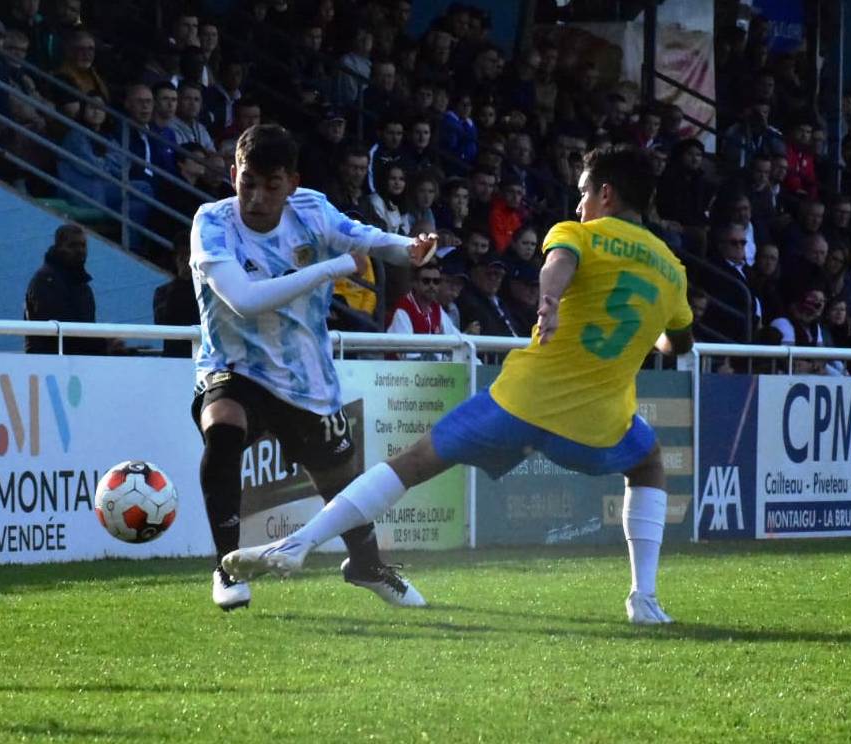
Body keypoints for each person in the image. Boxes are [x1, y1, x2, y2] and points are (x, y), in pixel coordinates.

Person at [225, 145, 695, 626]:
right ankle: (644, 599)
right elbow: (677, 345)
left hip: (522, 402)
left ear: (606, 193)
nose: (579, 206)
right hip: (599, 424)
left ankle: (300, 542)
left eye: (583, 194)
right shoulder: (671, 271)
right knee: (648, 462)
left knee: (413, 463)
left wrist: (549, 299)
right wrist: (646, 323)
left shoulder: (578, 233)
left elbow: (559, 263)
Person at [188, 123, 439, 611]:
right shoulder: (212, 223)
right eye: (247, 183)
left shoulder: (311, 211)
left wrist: (407, 247)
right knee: (222, 427)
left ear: (292, 184)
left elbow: (363, 237)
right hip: (233, 364)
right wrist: (330, 268)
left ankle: (366, 566)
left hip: (305, 377)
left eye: (271, 185)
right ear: (234, 173)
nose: (256, 197)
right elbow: (242, 301)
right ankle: (226, 567)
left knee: (339, 480)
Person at [24, 224, 107, 355]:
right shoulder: (45, 281)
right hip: (49, 364)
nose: (80, 250)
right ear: (58, 247)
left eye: (83, 245)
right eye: (73, 245)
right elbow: (60, 332)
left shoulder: (83, 286)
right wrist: (105, 345)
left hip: (77, 363)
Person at [153, 231, 199, 358]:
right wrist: (181, 279)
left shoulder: (209, 292)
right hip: (174, 358)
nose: (186, 260)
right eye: (182, 255)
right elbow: (161, 325)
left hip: (203, 358)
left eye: (189, 254)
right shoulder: (163, 293)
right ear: (175, 258)